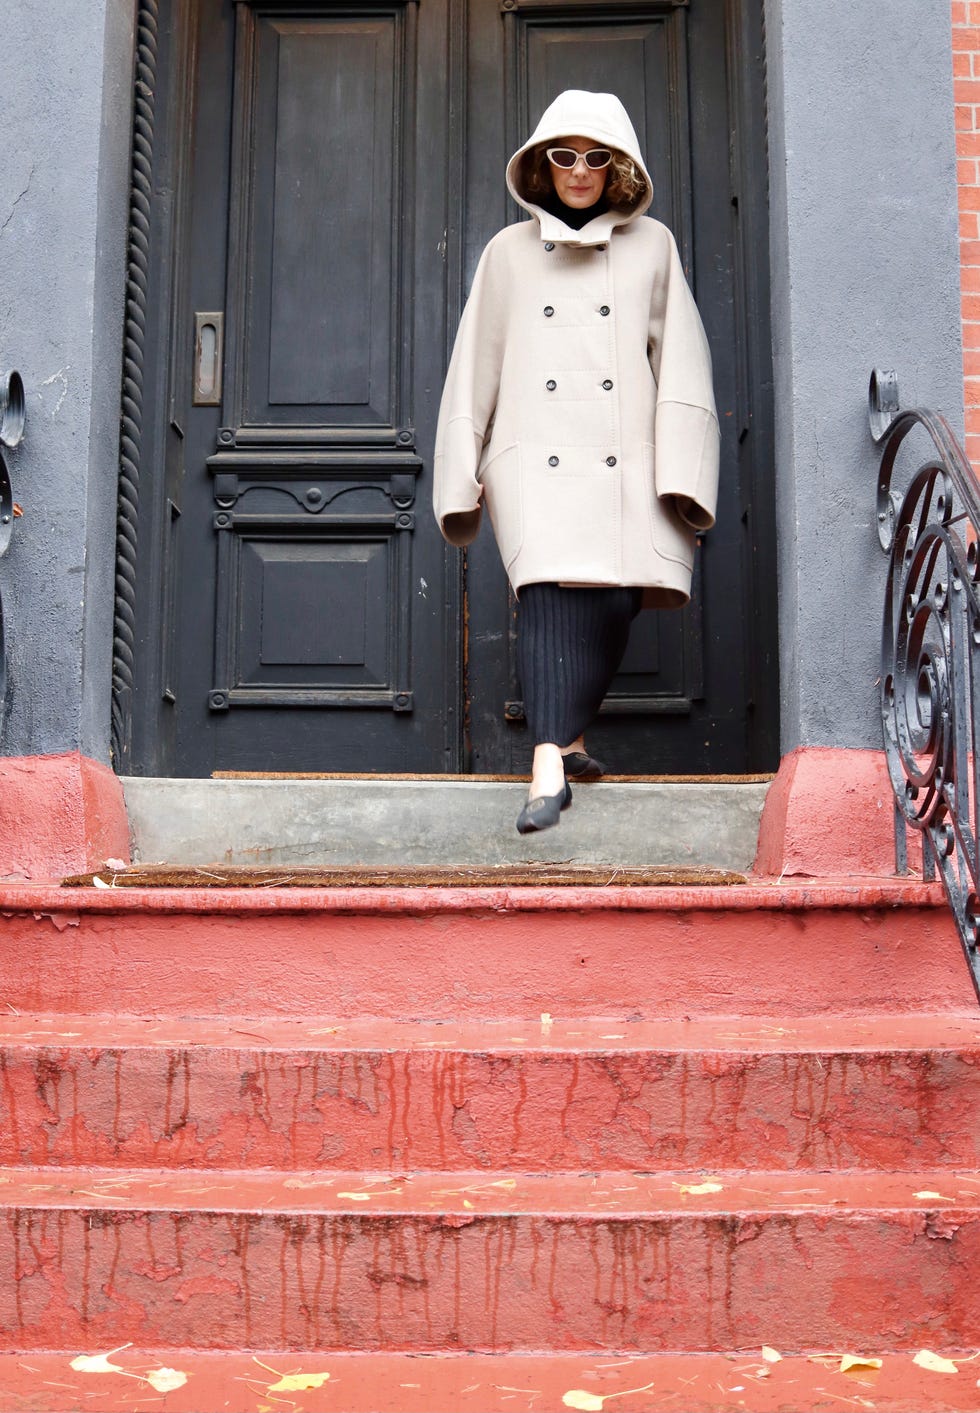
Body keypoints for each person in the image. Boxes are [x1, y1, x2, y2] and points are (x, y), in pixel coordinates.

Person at [433, 90, 719, 834]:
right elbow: (474, 367)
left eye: (596, 157)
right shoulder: (506, 254)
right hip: (536, 457)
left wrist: (683, 470)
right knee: (553, 593)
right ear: (541, 165)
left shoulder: (653, 245)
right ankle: (546, 768)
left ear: (617, 167)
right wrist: (462, 470)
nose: (580, 171)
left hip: (627, 458)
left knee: (618, 598)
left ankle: (574, 739)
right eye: (564, 156)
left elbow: (682, 359)